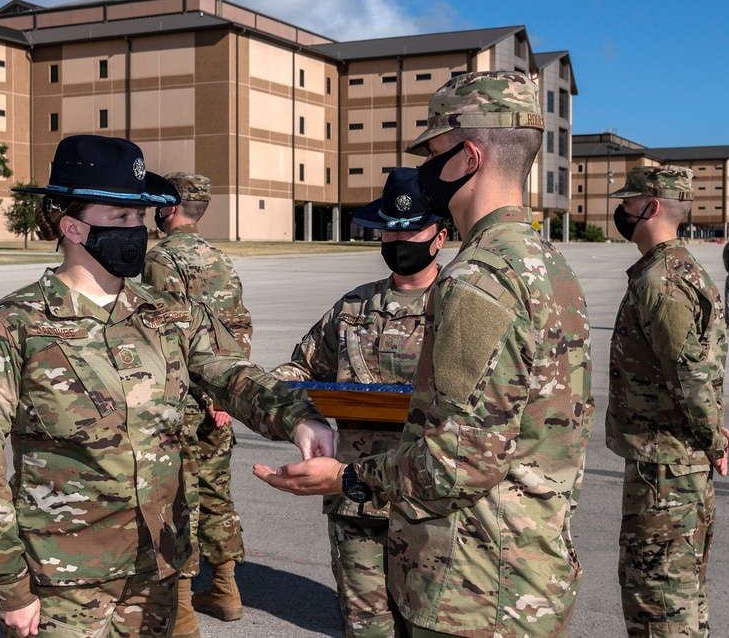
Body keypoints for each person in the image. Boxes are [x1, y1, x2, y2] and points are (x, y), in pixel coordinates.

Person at [0, 135, 336, 638]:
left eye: (141, 219)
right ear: (73, 226)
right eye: (121, 218)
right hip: (63, 580)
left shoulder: (167, 314)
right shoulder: (9, 327)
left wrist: (298, 416)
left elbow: (231, 373)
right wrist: (7, 582)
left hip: (157, 568)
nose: (137, 232)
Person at [255, 70, 595, 638]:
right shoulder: (547, 265)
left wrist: (344, 478)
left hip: (474, 586)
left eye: (434, 153)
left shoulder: (477, 278)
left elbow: (456, 463)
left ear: (466, 157)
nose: (427, 171)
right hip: (528, 574)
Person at [271, 167, 446, 638]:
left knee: (431, 625)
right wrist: (298, 417)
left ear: (440, 236)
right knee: (367, 628)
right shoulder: (355, 307)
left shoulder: (459, 304)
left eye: (412, 228)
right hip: (356, 501)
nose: (399, 238)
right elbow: (297, 371)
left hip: (433, 503)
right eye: (391, 228)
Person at [607, 166, 729, 637]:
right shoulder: (676, 269)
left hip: (665, 468)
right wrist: (712, 427)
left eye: (628, 203)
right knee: (679, 593)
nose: (621, 211)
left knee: (659, 601)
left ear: (652, 207)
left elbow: (688, 374)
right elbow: (696, 369)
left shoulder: (660, 280)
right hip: (672, 460)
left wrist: (711, 438)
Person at [142, 172, 252, 637]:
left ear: (168, 208)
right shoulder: (220, 258)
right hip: (221, 395)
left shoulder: (161, 259)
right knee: (216, 491)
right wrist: (225, 391)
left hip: (184, 399)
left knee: (178, 498)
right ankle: (226, 590)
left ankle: (182, 612)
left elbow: (169, 334)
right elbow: (238, 325)